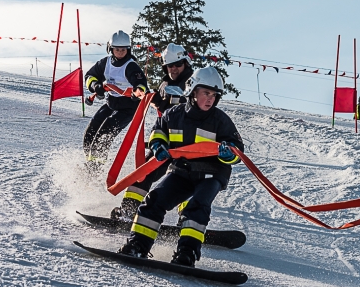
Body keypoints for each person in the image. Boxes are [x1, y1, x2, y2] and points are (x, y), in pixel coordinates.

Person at [118, 67, 244, 267]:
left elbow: (238, 150)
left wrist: (230, 153)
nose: (210, 99)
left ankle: (187, 254)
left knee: (197, 208)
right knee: (154, 200)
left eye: (214, 95)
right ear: (193, 91)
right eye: (206, 93)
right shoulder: (174, 114)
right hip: (182, 171)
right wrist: (158, 144)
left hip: (211, 175)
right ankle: (137, 246)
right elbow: (158, 129)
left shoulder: (221, 121)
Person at [112, 43, 194, 220]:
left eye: (178, 64)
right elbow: (165, 111)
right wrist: (150, 97)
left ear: (186, 63)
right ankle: (128, 211)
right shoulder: (166, 83)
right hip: (166, 143)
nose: (173, 69)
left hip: (189, 147)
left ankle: (188, 220)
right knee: (143, 173)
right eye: (169, 66)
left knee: (188, 182)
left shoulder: (194, 82)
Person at [83, 30, 148, 164]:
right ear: (110, 49)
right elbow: (89, 76)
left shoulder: (131, 66)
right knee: (91, 131)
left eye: (123, 50)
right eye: (116, 49)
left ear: (128, 50)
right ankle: (88, 162)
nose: (119, 52)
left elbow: (141, 84)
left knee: (105, 132)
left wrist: (138, 91)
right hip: (111, 103)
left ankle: (96, 167)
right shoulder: (105, 63)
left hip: (128, 108)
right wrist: (95, 86)